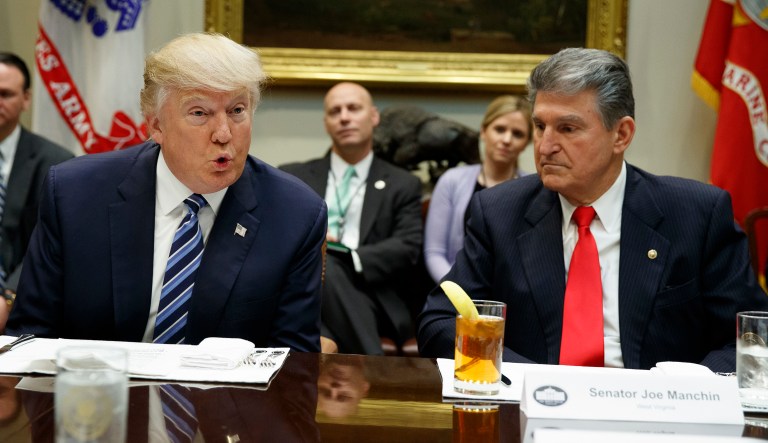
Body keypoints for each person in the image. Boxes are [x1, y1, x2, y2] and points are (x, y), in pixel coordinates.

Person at [417, 47, 768, 372]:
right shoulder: (499, 212)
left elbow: (753, 337)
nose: (546, 146)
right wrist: (530, 378)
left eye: (567, 128)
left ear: (621, 135)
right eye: (540, 126)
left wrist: (685, 388)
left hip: (655, 408)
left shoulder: (696, 214)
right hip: (536, 404)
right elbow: (439, 322)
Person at [6, 33, 327, 353]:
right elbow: (30, 337)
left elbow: (294, 362)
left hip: (225, 388)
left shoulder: (295, 215)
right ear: (156, 126)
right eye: (199, 113)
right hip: (96, 384)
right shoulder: (75, 194)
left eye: (237, 110)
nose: (223, 134)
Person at [281, 82, 423, 355]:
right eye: (335, 111)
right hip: (305, 287)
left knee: (328, 263)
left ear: (374, 116)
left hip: (372, 294)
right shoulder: (295, 177)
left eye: (353, 108)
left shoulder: (402, 183)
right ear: (326, 123)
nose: (344, 117)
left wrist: (348, 255)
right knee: (320, 268)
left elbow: (407, 246)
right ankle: (371, 368)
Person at [423, 95, 532, 283]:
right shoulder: (452, 181)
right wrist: (458, 290)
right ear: (483, 131)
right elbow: (434, 252)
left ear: (527, 143)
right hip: (455, 288)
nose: (507, 139)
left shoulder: (533, 189)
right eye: (499, 129)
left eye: (517, 134)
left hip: (512, 293)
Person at [0, 53, 73, 330]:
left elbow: (50, 243)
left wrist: (8, 297)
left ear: (26, 99)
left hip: (27, 307)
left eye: (5, 94)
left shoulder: (57, 164)